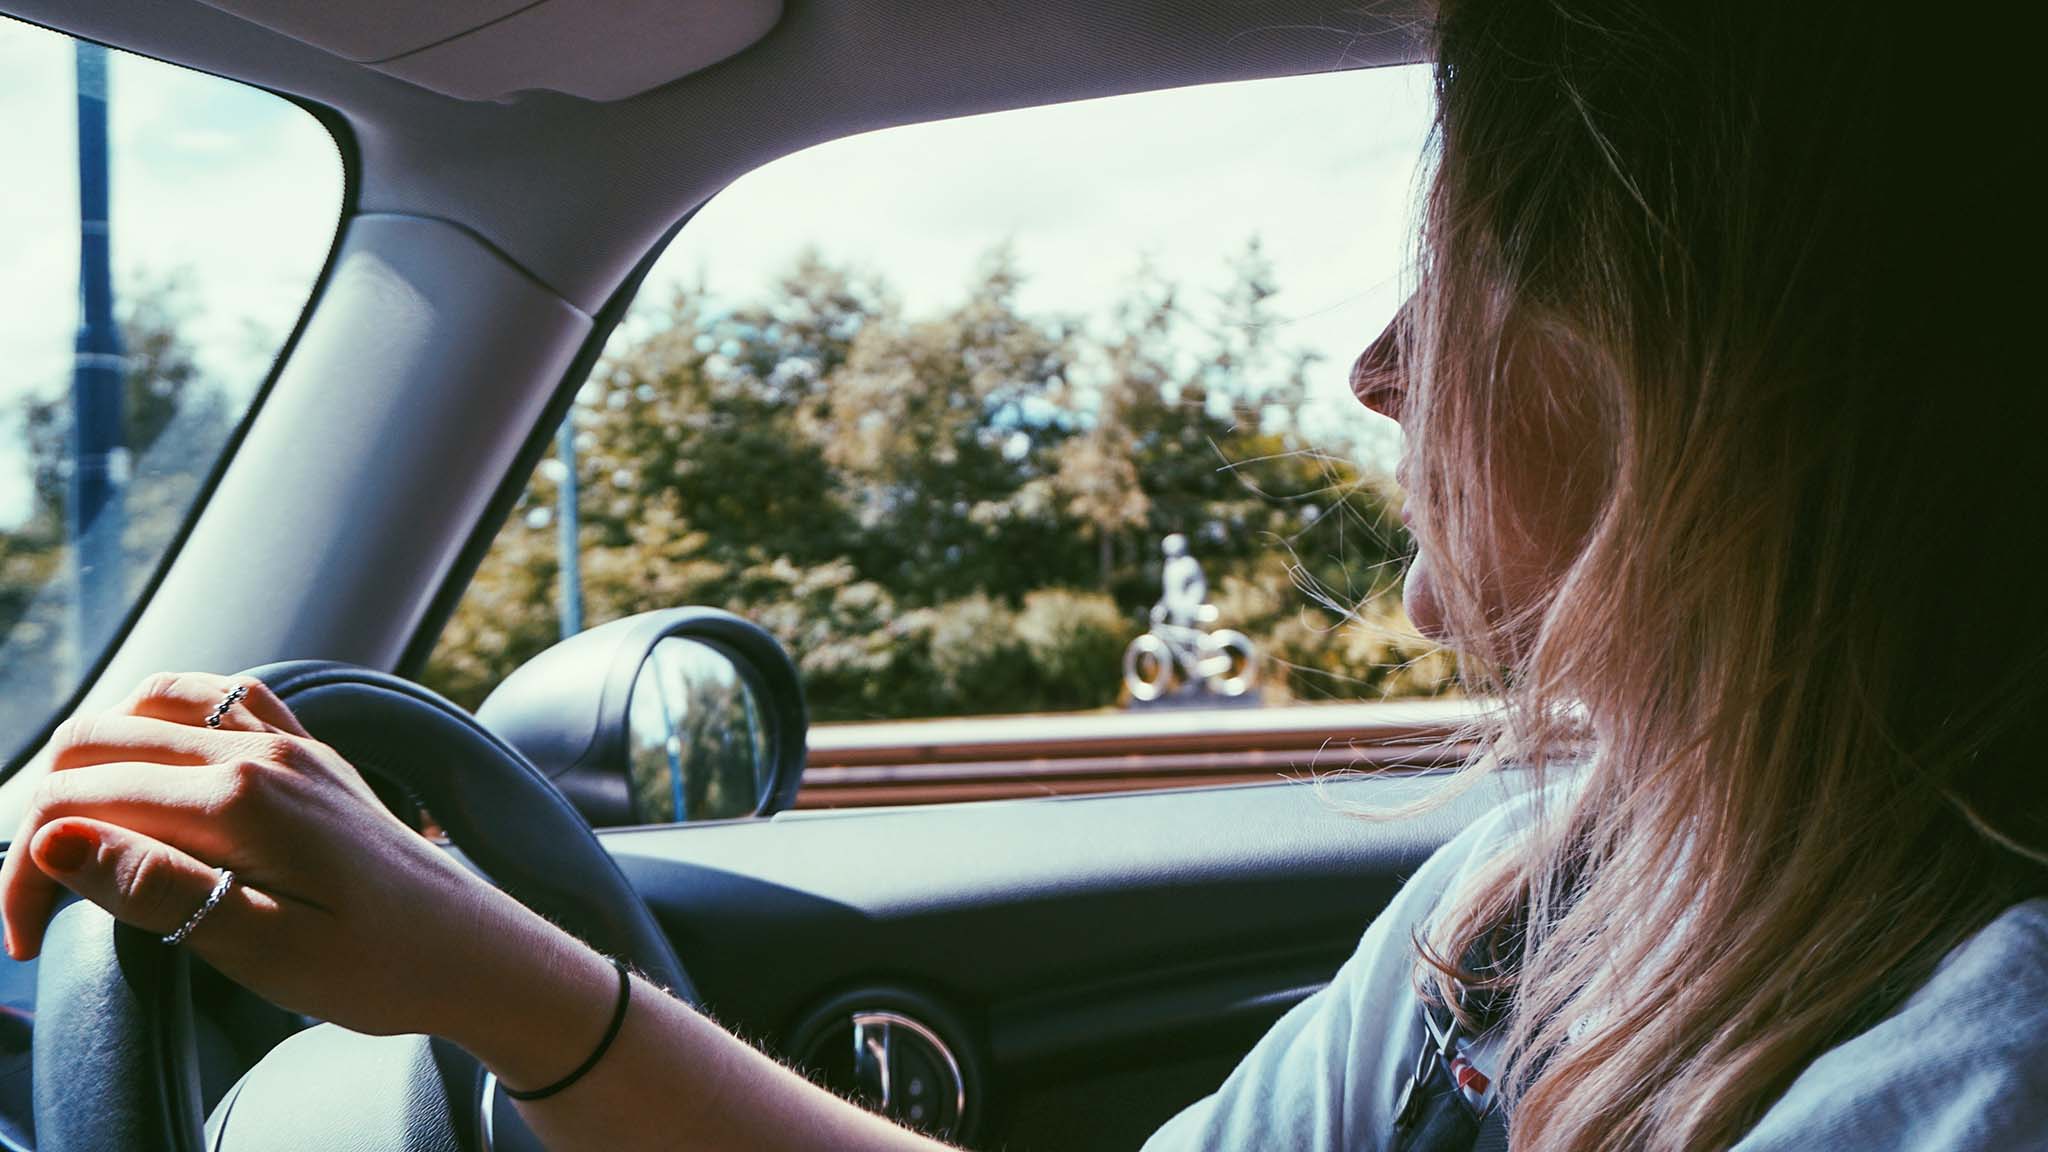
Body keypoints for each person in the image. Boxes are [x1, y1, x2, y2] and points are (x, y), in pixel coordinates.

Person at [4, 0, 2044, 1149]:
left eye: (1476, 252)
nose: (1377, 368)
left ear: (1725, 351)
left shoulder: (1974, 1068)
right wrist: (491, 977)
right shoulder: (1547, 891)